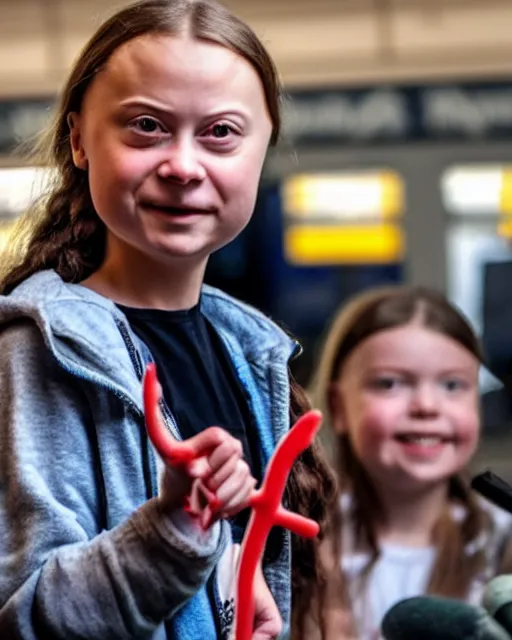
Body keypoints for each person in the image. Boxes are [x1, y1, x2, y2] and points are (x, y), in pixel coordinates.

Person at [0, 1, 336, 638]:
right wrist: (173, 531)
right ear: (78, 139)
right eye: (147, 126)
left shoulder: (247, 350)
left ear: (263, 149)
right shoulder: (38, 350)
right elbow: (24, 619)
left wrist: (237, 584)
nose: (184, 165)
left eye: (220, 133)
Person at [306, 286, 512, 639]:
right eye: (390, 384)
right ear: (339, 407)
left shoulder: (503, 543)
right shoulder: (300, 544)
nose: (426, 406)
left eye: (452, 385)